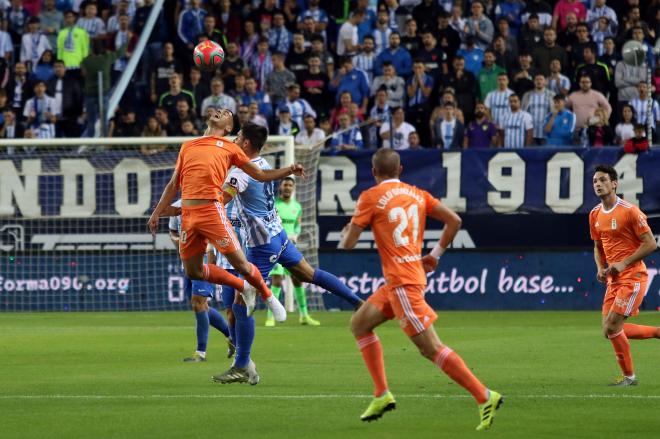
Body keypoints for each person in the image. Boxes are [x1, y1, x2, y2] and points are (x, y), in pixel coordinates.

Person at [340, 148, 503, 428]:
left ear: (374, 172)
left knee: (431, 348)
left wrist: (347, 230)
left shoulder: (370, 197)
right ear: (400, 170)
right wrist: (434, 255)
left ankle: (484, 395)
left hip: (403, 284)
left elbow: (348, 244)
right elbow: (455, 220)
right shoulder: (418, 194)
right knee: (360, 324)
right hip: (401, 279)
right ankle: (382, 393)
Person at [212, 123, 363, 384]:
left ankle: (241, 365)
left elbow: (222, 200)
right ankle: (358, 303)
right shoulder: (261, 162)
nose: (234, 139)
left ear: (246, 143)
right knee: (307, 273)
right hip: (279, 234)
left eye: (238, 136)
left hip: (262, 245)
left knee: (241, 302)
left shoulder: (240, 174)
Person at [148, 109, 304, 332]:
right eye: (218, 110)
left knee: (241, 264)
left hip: (212, 212)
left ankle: (268, 296)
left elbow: (259, 175)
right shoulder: (188, 146)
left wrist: (289, 169)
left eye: (225, 113)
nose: (218, 112)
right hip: (189, 216)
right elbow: (173, 185)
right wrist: (157, 213)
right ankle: (243, 286)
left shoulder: (230, 147)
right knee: (193, 272)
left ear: (229, 127)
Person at [589, 164, 658, 387]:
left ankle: (629, 378)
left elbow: (651, 243)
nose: (598, 184)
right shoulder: (595, 214)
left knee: (612, 327)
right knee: (609, 330)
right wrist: (600, 267)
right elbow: (598, 246)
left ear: (614, 184)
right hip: (613, 279)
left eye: (602, 180)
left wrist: (624, 262)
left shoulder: (630, 211)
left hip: (633, 276)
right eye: (595, 181)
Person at [168, 199, 233, 363]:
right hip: (187, 261)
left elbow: (217, 232)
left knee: (198, 303)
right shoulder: (177, 207)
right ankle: (232, 336)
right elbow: (173, 231)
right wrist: (177, 241)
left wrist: (212, 258)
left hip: (204, 260)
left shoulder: (208, 203)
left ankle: (201, 353)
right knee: (201, 305)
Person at [267, 178, 320, 327]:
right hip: (276, 247)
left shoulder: (297, 207)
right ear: (280, 187)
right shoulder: (274, 205)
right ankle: (271, 316)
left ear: (293, 188)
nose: (288, 188)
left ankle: (304, 316)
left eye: (290, 185)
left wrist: (295, 233)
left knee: (298, 279)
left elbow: (297, 225)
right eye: (285, 185)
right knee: (277, 279)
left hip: (291, 247)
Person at [522, 74, 555, 144]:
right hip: (531, 132)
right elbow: (522, 112)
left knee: (546, 154)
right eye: (537, 79)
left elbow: (555, 113)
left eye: (541, 79)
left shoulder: (552, 95)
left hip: (546, 133)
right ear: (534, 82)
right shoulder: (527, 95)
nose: (539, 81)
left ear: (545, 82)